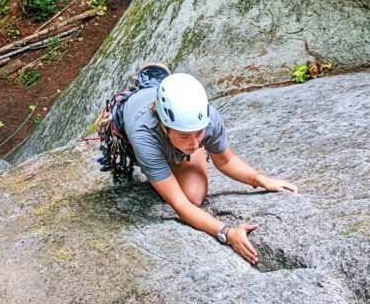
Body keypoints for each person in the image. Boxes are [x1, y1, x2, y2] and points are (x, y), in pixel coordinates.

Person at [118, 73, 296, 265]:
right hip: (137, 115)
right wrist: (227, 233)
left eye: (198, 134)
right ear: (163, 126)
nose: (195, 143)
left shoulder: (207, 118)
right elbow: (180, 205)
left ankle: (160, 82)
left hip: (167, 129)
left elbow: (225, 161)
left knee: (194, 196)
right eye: (184, 136)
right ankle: (153, 80)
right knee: (187, 198)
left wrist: (260, 179)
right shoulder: (144, 136)